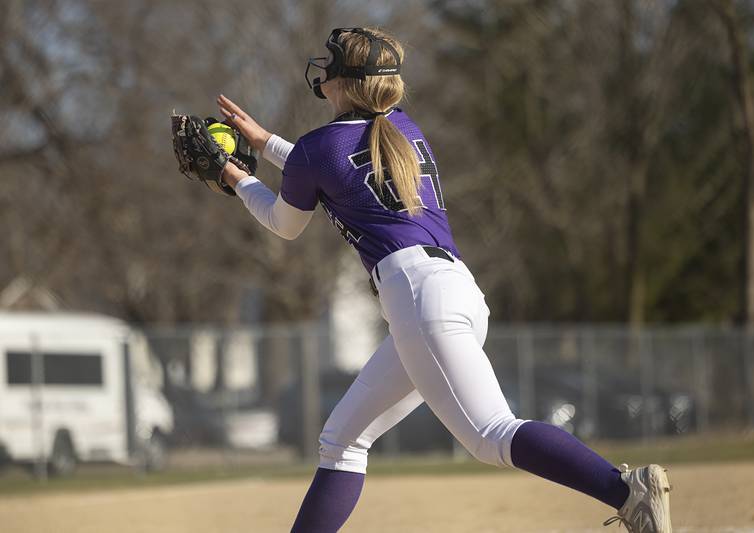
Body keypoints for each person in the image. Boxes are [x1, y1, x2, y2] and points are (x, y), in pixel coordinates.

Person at [215, 27, 672, 533]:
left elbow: (286, 222)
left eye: (331, 64)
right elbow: (329, 167)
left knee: (492, 434)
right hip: (454, 288)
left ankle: (626, 491)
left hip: (418, 298)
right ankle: (627, 492)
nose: (322, 70)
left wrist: (231, 175)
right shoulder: (404, 129)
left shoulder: (317, 148)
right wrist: (266, 144)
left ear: (342, 81)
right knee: (342, 440)